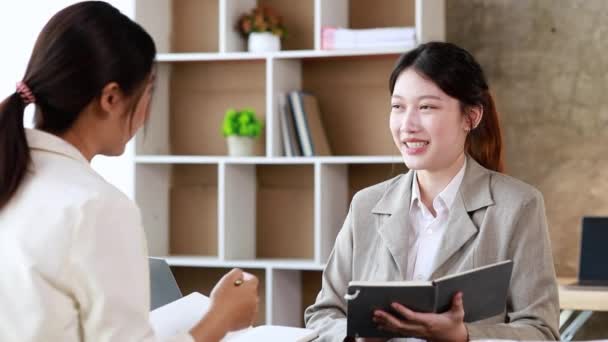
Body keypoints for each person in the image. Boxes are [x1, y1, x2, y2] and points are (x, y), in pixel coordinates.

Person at [0, 2, 258, 341]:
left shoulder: (14, 177)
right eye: (148, 92)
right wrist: (220, 318)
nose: (147, 111)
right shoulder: (96, 206)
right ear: (110, 97)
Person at [304, 42, 560, 341]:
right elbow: (323, 314)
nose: (407, 125)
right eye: (398, 107)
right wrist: (355, 337)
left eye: (426, 107)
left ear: (471, 117)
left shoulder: (517, 205)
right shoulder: (367, 204)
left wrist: (464, 336)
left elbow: (541, 331)